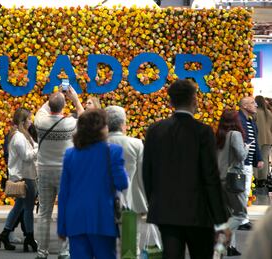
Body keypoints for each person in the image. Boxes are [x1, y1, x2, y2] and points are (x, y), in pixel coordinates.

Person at [142, 79, 230, 258]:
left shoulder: (155, 130)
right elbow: (210, 176)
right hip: (198, 212)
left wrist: (155, 202)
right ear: (194, 100)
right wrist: (221, 220)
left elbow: (147, 173)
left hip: (165, 211)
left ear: (170, 102)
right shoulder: (203, 132)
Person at [57, 109, 128, 259]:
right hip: (103, 218)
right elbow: (122, 183)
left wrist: (62, 227)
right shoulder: (113, 152)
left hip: (76, 219)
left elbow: (64, 193)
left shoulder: (70, 154)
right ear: (101, 129)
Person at [34, 86, 84, 259]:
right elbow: (85, 119)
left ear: (49, 104)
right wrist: (75, 99)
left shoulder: (39, 122)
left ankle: (42, 252)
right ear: (63, 107)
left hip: (44, 170)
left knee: (44, 213)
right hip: (65, 172)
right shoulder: (70, 123)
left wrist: (55, 97)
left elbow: (44, 108)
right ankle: (64, 252)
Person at [105, 105, 160, 254]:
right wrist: (146, 201)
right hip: (129, 202)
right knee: (130, 246)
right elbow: (142, 177)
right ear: (123, 124)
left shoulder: (96, 145)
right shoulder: (136, 144)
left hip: (101, 203)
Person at [0, 107, 38, 252]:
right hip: (25, 177)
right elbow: (27, 156)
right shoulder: (19, 137)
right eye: (29, 119)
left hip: (24, 175)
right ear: (22, 121)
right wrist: (40, 149)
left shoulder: (22, 135)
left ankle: (5, 234)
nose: (31, 121)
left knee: (19, 207)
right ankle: (29, 237)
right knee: (28, 209)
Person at [216, 109, 250, 256]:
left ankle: (224, 249)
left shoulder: (218, 136)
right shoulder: (235, 134)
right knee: (240, 215)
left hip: (219, 179)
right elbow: (241, 156)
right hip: (233, 179)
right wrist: (247, 148)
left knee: (227, 215)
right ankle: (219, 240)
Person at [238, 96, 264, 230]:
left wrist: (258, 158)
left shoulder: (251, 121)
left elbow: (255, 142)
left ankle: (243, 219)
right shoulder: (238, 120)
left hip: (247, 162)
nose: (256, 105)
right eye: (253, 103)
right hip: (240, 162)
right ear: (245, 106)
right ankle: (241, 221)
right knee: (241, 192)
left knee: (245, 190)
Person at [254, 96, 272, 188]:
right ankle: (263, 180)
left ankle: (255, 179)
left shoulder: (255, 113)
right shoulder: (269, 113)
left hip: (258, 138)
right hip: (268, 139)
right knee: (264, 158)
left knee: (256, 157)